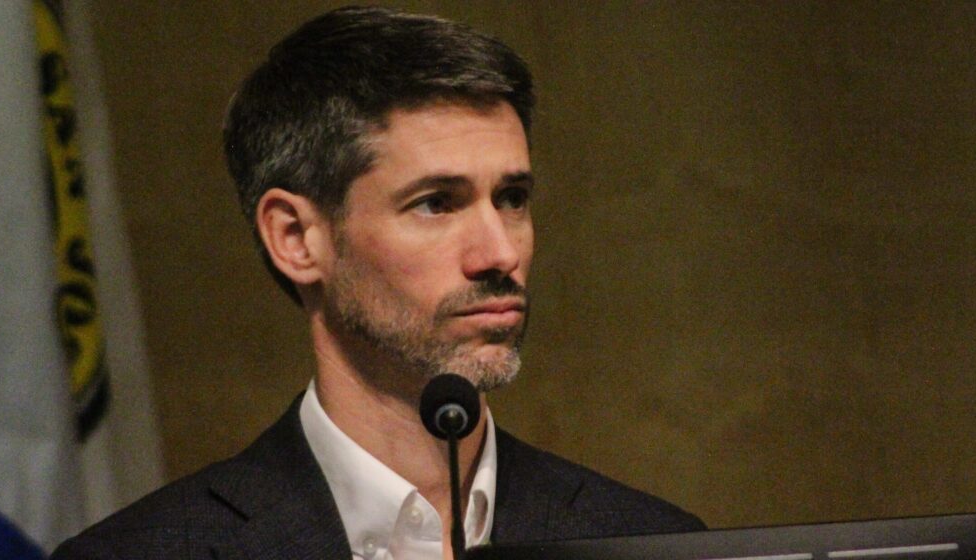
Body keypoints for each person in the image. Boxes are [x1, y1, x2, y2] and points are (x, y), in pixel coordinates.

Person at [53, 6, 703, 560]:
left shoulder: (650, 541)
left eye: (512, 197)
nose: (500, 252)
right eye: (436, 203)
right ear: (297, 239)